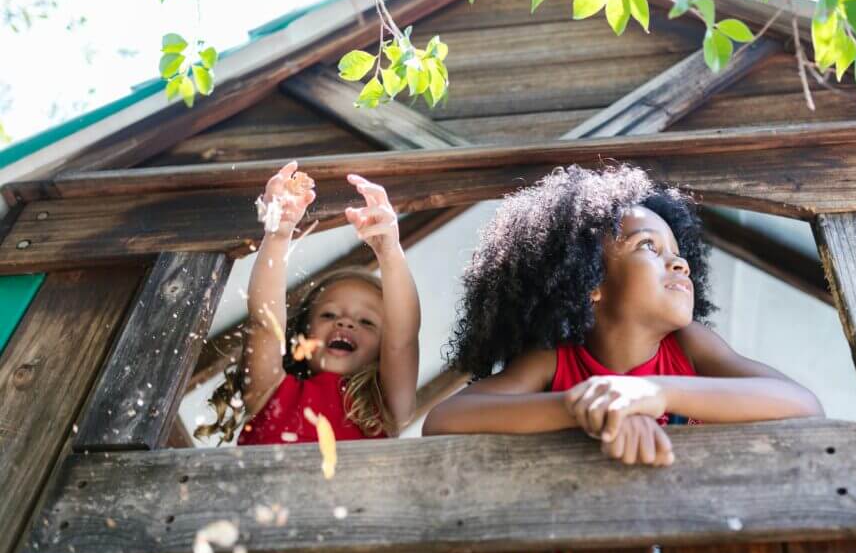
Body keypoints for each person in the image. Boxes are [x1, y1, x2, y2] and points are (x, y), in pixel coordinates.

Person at [424, 164, 823, 466]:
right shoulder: (555, 361)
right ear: (589, 282)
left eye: (677, 253)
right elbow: (443, 419)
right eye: (648, 246)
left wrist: (654, 394)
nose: (679, 264)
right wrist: (584, 408)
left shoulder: (690, 345)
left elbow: (803, 405)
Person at [195, 162, 420, 446]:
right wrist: (278, 234)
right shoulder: (272, 393)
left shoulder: (385, 409)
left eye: (367, 322)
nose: (345, 322)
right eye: (328, 314)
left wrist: (389, 251)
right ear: (303, 332)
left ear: (384, 349)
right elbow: (265, 322)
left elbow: (404, 338)